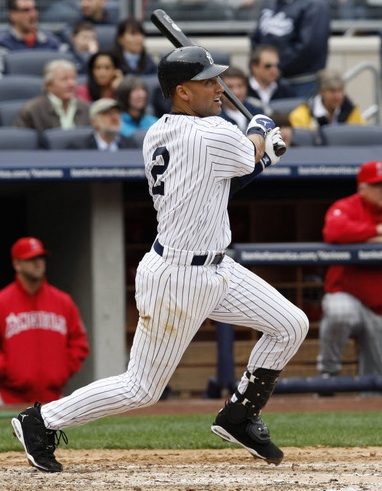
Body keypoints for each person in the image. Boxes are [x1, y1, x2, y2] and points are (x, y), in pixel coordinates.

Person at [11, 46, 308, 474]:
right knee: (142, 388)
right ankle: (39, 421)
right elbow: (245, 150)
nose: (218, 88)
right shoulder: (214, 132)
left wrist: (261, 155)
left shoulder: (158, 132)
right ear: (183, 92)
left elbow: (221, 183)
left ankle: (240, 414)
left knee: (290, 324)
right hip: (179, 278)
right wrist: (261, 128)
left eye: (217, 79)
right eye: (207, 82)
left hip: (215, 267)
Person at [0, 237, 89, 405]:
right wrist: (9, 373)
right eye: (31, 259)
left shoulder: (63, 301)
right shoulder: (2, 302)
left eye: (41, 258)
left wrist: (61, 372)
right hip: (9, 398)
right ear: (17, 264)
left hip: (54, 398)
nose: (38, 263)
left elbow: (79, 343)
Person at [317, 160, 382, 378]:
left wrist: (364, 236)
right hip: (348, 295)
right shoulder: (346, 206)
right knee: (339, 312)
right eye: (377, 186)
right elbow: (335, 231)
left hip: (379, 305)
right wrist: (375, 230)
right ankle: (328, 373)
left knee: (376, 381)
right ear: (362, 187)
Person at [250, 0, 331, 98]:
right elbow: (256, 38)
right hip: (269, 83)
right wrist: (264, 64)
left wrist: (275, 65)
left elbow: (310, 47)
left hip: (302, 81)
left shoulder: (315, 5)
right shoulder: (270, 3)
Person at [14, 59, 90, 136]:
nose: (71, 84)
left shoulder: (87, 108)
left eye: (73, 78)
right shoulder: (31, 111)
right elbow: (22, 142)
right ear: (48, 85)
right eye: (64, 79)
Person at [289, 68, 366, 143]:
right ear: (321, 92)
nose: (337, 96)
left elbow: (362, 138)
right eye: (332, 91)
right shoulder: (300, 116)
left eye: (340, 90)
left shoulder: (352, 112)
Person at [0, 0, 64, 72]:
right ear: (13, 15)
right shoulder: (3, 44)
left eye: (35, 9)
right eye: (26, 10)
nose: (32, 14)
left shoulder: (52, 42)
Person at [67, 97, 137, 150]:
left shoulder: (131, 145)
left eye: (117, 113)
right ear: (94, 122)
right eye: (107, 113)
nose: (114, 118)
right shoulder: (79, 148)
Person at [247, 45, 296, 114]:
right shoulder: (242, 89)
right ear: (254, 67)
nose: (274, 70)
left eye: (277, 66)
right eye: (268, 66)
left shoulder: (286, 90)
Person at [219, 65, 263, 133]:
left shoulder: (257, 111)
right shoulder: (214, 117)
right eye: (230, 87)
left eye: (240, 86)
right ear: (220, 89)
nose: (236, 92)